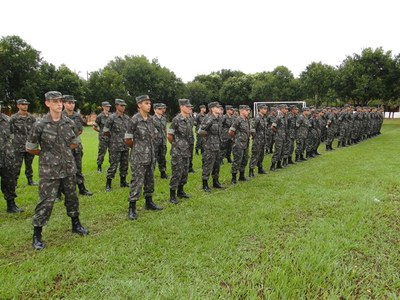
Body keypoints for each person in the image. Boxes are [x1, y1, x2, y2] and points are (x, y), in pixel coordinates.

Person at [27, 91, 88, 251]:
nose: (59, 104)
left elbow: (75, 142)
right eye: (55, 101)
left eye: (60, 101)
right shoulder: (40, 125)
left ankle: (76, 224)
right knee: (46, 201)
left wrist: (64, 152)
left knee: (72, 197)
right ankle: (37, 234)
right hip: (49, 171)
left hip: (68, 167)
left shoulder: (68, 123)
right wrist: (45, 154)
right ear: (47, 103)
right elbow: (30, 147)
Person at [125, 95, 162, 220]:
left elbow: (155, 135)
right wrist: (137, 149)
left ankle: (149, 202)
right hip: (139, 157)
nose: (149, 105)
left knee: (150, 180)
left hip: (151, 156)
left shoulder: (151, 119)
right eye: (146, 103)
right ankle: (132, 207)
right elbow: (128, 139)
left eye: (149, 103)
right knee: (137, 181)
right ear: (139, 105)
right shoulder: (134, 120)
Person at [62, 95, 93, 196]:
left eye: (73, 103)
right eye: (69, 103)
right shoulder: (60, 116)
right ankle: (59, 192)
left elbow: (80, 130)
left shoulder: (77, 116)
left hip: (76, 146)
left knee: (78, 168)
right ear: (64, 103)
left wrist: (72, 138)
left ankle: (82, 189)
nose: (72, 105)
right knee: (63, 169)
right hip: (64, 147)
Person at [167, 99, 193, 204]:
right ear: (181, 107)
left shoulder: (190, 119)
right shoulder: (176, 120)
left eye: (190, 107)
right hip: (178, 151)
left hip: (187, 150)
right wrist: (177, 145)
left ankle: (181, 191)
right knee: (177, 173)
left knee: (184, 172)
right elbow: (170, 136)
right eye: (187, 107)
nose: (190, 108)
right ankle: (172, 195)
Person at [0, 100, 24, 213]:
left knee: (9, 182)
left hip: (6, 157)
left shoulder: (7, 120)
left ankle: (11, 205)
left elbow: (13, 135)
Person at [103, 99, 130, 191]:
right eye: (121, 105)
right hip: (115, 146)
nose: (123, 107)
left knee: (124, 165)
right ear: (116, 106)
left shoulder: (127, 118)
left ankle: (123, 182)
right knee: (113, 165)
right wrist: (114, 138)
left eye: (124, 105)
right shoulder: (112, 117)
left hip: (125, 145)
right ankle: (108, 184)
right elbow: (105, 131)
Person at [10, 99, 37, 186]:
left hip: (30, 145)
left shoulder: (32, 118)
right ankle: (14, 182)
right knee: (16, 165)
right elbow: (9, 131)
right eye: (23, 104)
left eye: (26, 104)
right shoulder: (13, 118)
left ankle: (30, 181)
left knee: (29, 164)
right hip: (18, 145)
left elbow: (35, 131)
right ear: (18, 105)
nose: (25, 106)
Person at [198, 101, 223, 192]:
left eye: (219, 107)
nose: (219, 108)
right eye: (217, 107)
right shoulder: (208, 118)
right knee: (208, 165)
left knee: (217, 165)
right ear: (212, 109)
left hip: (218, 145)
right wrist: (208, 134)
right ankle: (205, 184)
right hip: (209, 146)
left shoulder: (219, 118)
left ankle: (215, 182)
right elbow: (200, 131)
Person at [229, 105, 251, 184]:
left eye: (248, 110)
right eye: (246, 110)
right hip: (238, 143)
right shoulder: (237, 120)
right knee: (237, 160)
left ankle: (241, 175)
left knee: (245, 159)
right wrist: (235, 139)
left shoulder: (247, 120)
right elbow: (231, 131)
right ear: (241, 111)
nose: (248, 112)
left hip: (246, 143)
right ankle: (234, 177)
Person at [249, 104, 268, 177]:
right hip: (257, 140)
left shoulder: (264, 118)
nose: (266, 110)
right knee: (255, 155)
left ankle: (260, 168)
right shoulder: (257, 118)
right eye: (264, 109)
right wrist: (255, 138)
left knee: (261, 155)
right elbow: (253, 129)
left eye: (266, 109)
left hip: (263, 140)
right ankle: (251, 170)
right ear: (260, 109)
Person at [93, 101, 111, 173]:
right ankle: (99, 167)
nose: (108, 108)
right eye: (107, 106)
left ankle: (111, 166)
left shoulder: (111, 115)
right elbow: (94, 127)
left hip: (111, 137)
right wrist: (100, 132)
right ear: (103, 107)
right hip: (103, 138)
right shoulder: (100, 116)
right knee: (102, 152)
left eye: (109, 106)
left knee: (112, 152)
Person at [152, 103, 168, 179]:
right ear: (155, 110)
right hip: (155, 142)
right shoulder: (151, 119)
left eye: (162, 109)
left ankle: (163, 172)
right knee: (153, 158)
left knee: (162, 158)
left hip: (163, 141)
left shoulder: (164, 118)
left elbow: (164, 129)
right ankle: (150, 174)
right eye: (159, 109)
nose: (161, 110)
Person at [270, 104, 288, 171]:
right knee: (277, 151)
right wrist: (278, 132)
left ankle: (279, 164)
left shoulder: (285, 117)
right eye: (285, 109)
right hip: (279, 137)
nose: (287, 110)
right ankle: (272, 165)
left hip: (283, 136)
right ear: (282, 109)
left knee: (282, 151)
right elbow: (272, 127)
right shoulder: (278, 117)